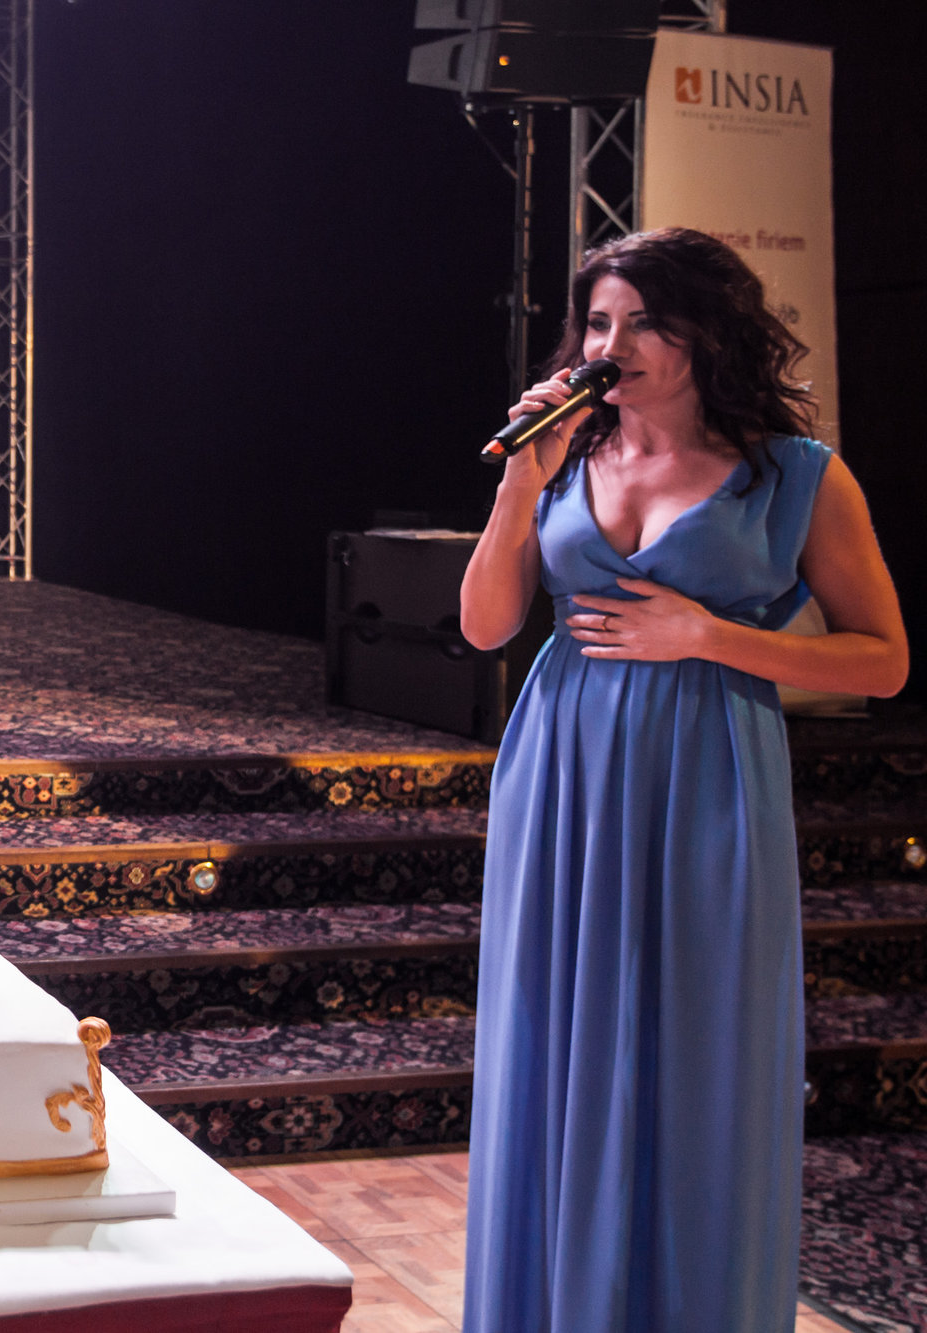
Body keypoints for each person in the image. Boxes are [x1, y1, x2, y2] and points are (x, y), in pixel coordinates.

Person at [459, 227, 908, 1331]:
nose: (612, 345)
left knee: (697, 1050)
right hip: (560, 772)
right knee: (548, 1039)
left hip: (706, 773)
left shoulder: (797, 476)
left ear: (708, 332)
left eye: (645, 322)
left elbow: (883, 660)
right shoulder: (564, 456)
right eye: (598, 322)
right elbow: (484, 625)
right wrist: (520, 484)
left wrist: (707, 635)